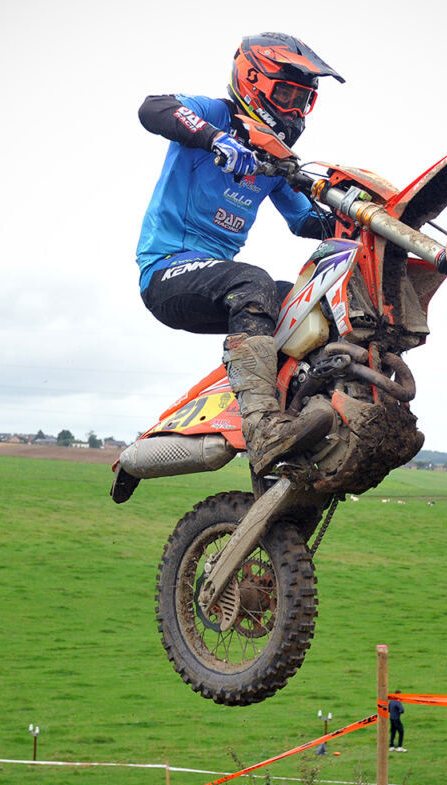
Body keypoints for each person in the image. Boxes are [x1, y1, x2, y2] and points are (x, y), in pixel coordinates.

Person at [134, 33, 344, 476]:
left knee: (312, 304)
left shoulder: (276, 158)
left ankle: (308, 422)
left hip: (219, 281)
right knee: (255, 282)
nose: (293, 110)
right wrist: (216, 139)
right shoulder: (216, 114)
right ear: (252, 81)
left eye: (302, 101)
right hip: (167, 271)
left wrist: (352, 216)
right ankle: (262, 426)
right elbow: (153, 108)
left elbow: (304, 220)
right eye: (285, 95)